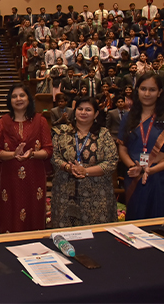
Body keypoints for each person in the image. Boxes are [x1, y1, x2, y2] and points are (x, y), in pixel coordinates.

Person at [118, 72, 164, 219]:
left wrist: (151, 170)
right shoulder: (128, 117)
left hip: (163, 178)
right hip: (135, 178)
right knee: (136, 224)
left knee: (162, 225)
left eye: (152, 90)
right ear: (137, 90)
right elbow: (122, 147)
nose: (147, 93)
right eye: (143, 89)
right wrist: (134, 167)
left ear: (159, 92)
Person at [51, 97, 119, 227]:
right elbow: (54, 157)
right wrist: (68, 168)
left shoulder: (103, 134)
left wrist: (86, 171)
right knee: (67, 234)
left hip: (97, 195)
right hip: (65, 193)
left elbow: (112, 161)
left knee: (96, 237)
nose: (83, 112)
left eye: (88, 110)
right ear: (74, 112)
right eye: (80, 109)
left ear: (96, 114)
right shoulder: (62, 132)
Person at [0, 83, 52, 233]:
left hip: (34, 176)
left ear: (28, 98)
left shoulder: (41, 121)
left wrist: (31, 154)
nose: (18, 99)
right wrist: (14, 154)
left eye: (22, 95)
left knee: (33, 212)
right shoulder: (3, 122)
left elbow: (48, 149)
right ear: (9, 100)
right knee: (10, 211)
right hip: (9, 176)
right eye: (14, 96)